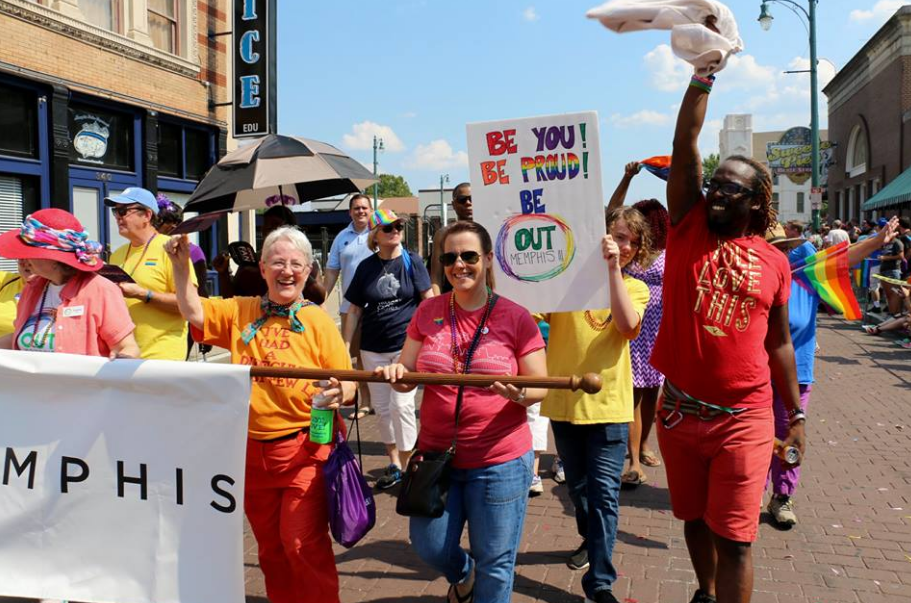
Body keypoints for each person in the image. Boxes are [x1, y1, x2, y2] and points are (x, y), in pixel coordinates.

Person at [651, 26, 804, 603]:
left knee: (736, 537)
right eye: (713, 184)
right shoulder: (687, 225)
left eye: (730, 189)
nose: (715, 192)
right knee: (692, 518)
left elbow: (780, 343)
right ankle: (706, 592)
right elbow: (687, 144)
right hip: (677, 413)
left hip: (744, 418)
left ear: (757, 202)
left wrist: (796, 416)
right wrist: (702, 75)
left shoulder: (773, 263)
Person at [165, 226, 356, 603]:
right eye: (278, 262)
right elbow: (192, 308)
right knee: (270, 550)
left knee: (301, 543)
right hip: (251, 454)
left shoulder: (317, 320)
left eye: (296, 264)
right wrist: (181, 263)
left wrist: (339, 393)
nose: (287, 271)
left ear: (309, 271)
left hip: (306, 448)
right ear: (264, 268)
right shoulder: (241, 308)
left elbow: (348, 382)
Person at [375, 220, 547, 603]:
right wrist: (396, 375)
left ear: (487, 259)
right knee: (430, 546)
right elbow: (407, 377)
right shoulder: (428, 312)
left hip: (499, 460)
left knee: (497, 563)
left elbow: (540, 384)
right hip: (436, 458)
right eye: (450, 257)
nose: (459, 265)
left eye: (469, 255)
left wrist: (521, 394)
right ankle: (464, 576)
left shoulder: (516, 316)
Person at [541, 207, 650, 603]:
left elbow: (625, 325)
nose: (619, 244)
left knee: (605, 494)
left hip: (610, 407)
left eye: (628, 240)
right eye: (614, 235)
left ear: (636, 251)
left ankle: (600, 582)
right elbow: (525, 305)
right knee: (579, 489)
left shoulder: (636, 288)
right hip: (565, 403)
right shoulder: (565, 285)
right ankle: (591, 538)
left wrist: (612, 271)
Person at [764, 218, 898, 527]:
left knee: (789, 440)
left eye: (780, 249)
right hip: (754, 374)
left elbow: (844, 259)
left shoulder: (804, 275)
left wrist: (877, 241)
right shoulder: (753, 279)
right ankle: (748, 493)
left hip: (796, 376)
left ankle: (782, 496)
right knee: (755, 438)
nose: (775, 255)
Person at [343, 209, 432, 489]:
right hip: (372, 348)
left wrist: (433, 338)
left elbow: (428, 302)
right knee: (382, 408)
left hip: (406, 347)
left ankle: (410, 465)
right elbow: (355, 309)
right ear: (375, 236)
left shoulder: (412, 262)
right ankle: (394, 461)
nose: (395, 231)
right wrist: (346, 346)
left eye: (398, 226)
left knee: (402, 405)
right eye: (388, 228)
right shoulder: (366, 267)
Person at [0, 208, 138, 358]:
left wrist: (123, 360)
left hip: (83, 381)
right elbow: (22, 338)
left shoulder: (101, 290)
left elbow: (128, 347)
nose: (23, 259)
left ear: (53, 259)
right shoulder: (32, 288)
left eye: (29, 252)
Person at [607, 161, 670, 486]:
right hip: (633, 324)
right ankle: (633, 459)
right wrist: (626, 176)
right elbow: (612, 212)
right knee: (631, 392)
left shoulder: (666, 252)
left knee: (651, 392)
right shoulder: (629, 252)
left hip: (658, 328)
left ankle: (644, 444)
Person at [106, 187, 196, 360]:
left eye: (123, 211)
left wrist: (143, 294)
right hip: (124, 354)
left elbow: (190, 306)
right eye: (115, 211)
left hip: (161, 356)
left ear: (147, 215)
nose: (118, 217)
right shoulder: (117, 254)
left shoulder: (170, 248)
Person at [324, 193, 375, 418]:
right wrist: (321, 299)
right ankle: (361, 400)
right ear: (350, 212)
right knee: (351, 356)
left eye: (364, 207)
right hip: (349, 307)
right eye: (356, 208)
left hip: (377, 307)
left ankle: (373, 401)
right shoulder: (341, 237)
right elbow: (332, 270)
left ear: (371, 210)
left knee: (369, 355)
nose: (361, 211)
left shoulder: (379, 233)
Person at [214, 204, 326, 304]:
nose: (268, 230)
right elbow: (231, 299)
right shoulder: (255, 259)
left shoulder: (307, 261)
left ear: (291, 229)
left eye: (275, 225)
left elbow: (320, 297)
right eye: (265, 225)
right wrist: (223, 273)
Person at [153, 193, 211, 358]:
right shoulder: (148, 249)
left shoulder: (193, 251)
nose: (155, 227)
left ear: (173, 225)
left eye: (159, 223)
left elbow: (201, 290)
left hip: (182, 321)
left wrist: (204, 328)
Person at [430, 182, 473, 295]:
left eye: (472, 198)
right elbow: (436, 276)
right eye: (462, 199)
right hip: (452, 297)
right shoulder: (443, 234)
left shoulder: (487, 230)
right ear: (453, 204)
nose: (468, 203)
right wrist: (436, 305)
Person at [0, 260, 34, 336]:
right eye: (21, 259)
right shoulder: (7, 280)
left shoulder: (59, 289)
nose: (24, 263)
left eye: (32, 258)